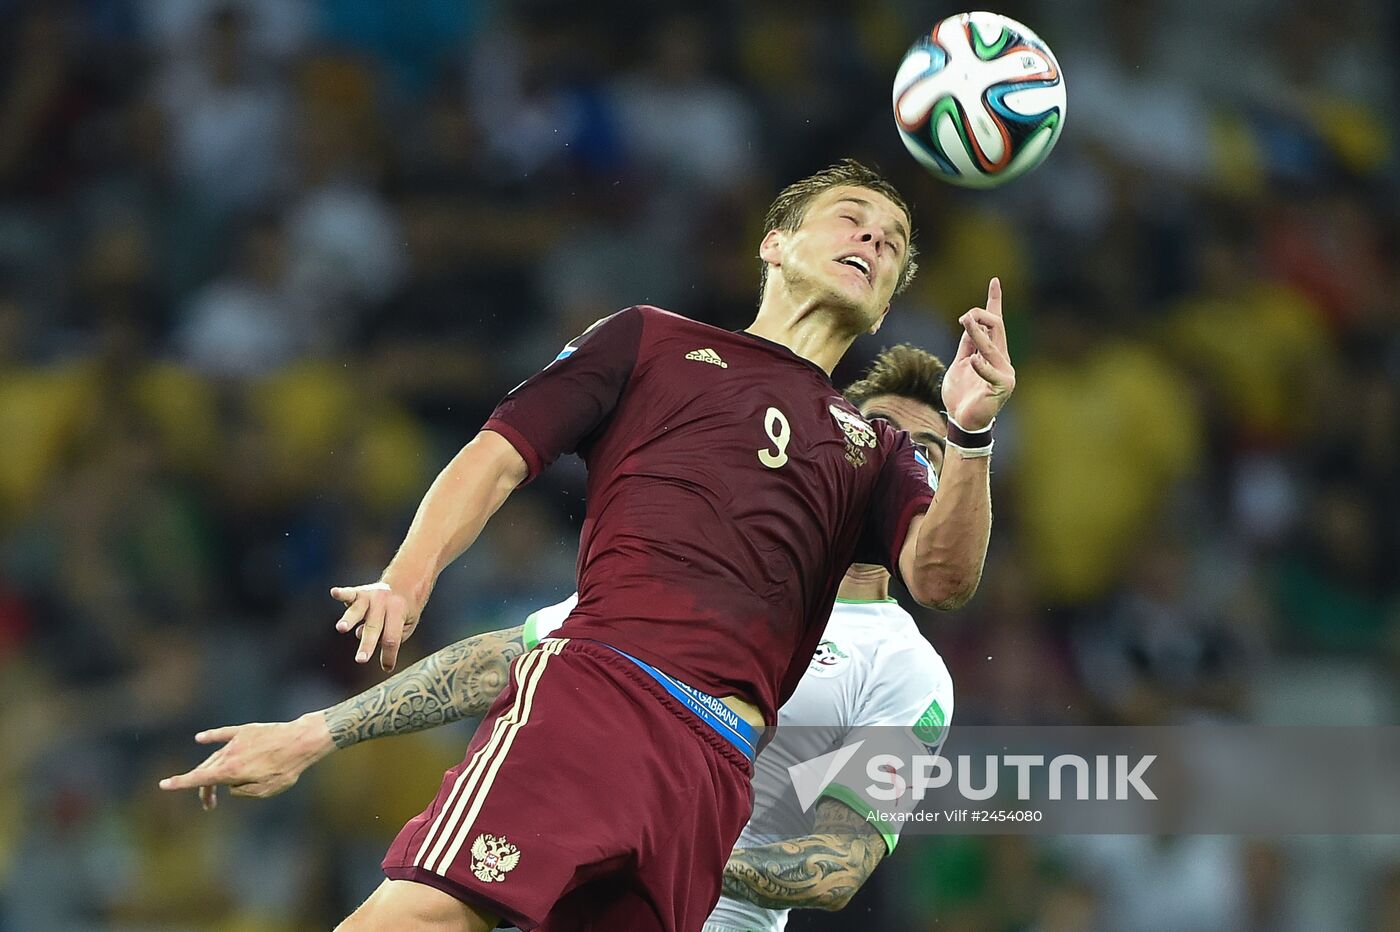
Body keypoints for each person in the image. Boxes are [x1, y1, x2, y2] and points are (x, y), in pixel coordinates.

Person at [171, 159, 1015, 931]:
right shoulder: (653, 342)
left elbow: (941, 580)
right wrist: (405, 578)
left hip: (713, 774)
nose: (873, 237)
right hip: (601, 694)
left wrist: (972, 433)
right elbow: (500, 457)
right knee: (422, 920)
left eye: (894, 241)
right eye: (850, 217)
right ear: (776, 244)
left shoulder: (874, 456)